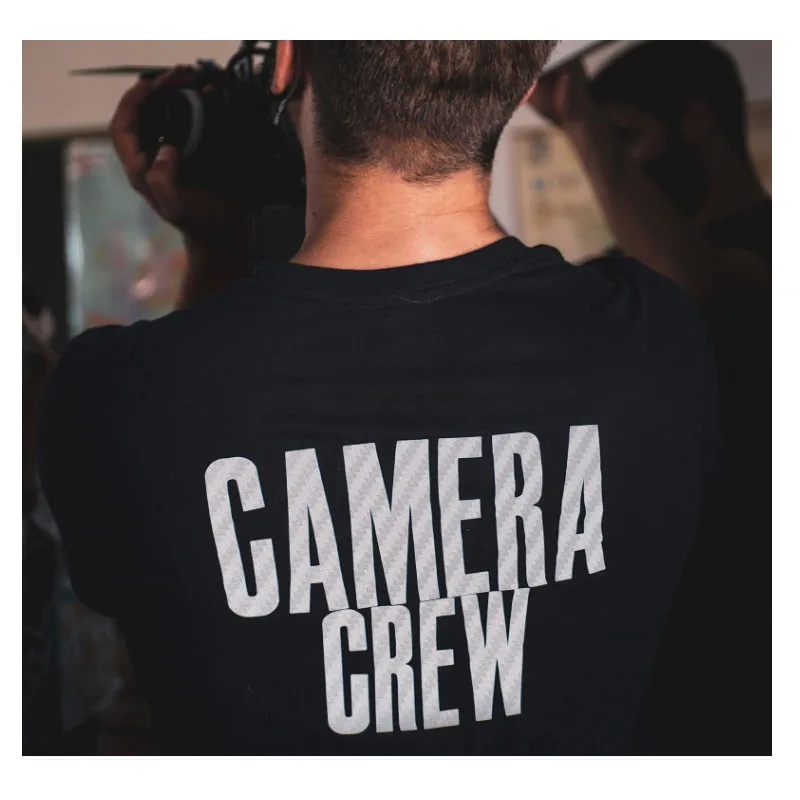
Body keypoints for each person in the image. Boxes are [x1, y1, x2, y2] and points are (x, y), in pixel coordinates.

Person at [39, 41, 718, 755]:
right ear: (520, 88)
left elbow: (157, 566)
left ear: (287, 61)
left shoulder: (112, 394)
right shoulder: (657, 339)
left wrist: (216, 254)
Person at [530, 41, 771, 754]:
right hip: (666, 631)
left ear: (695, 120)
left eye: (627, 137)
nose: (617, 163)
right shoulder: (627, 273)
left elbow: (702, 290)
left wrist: (581, 119)